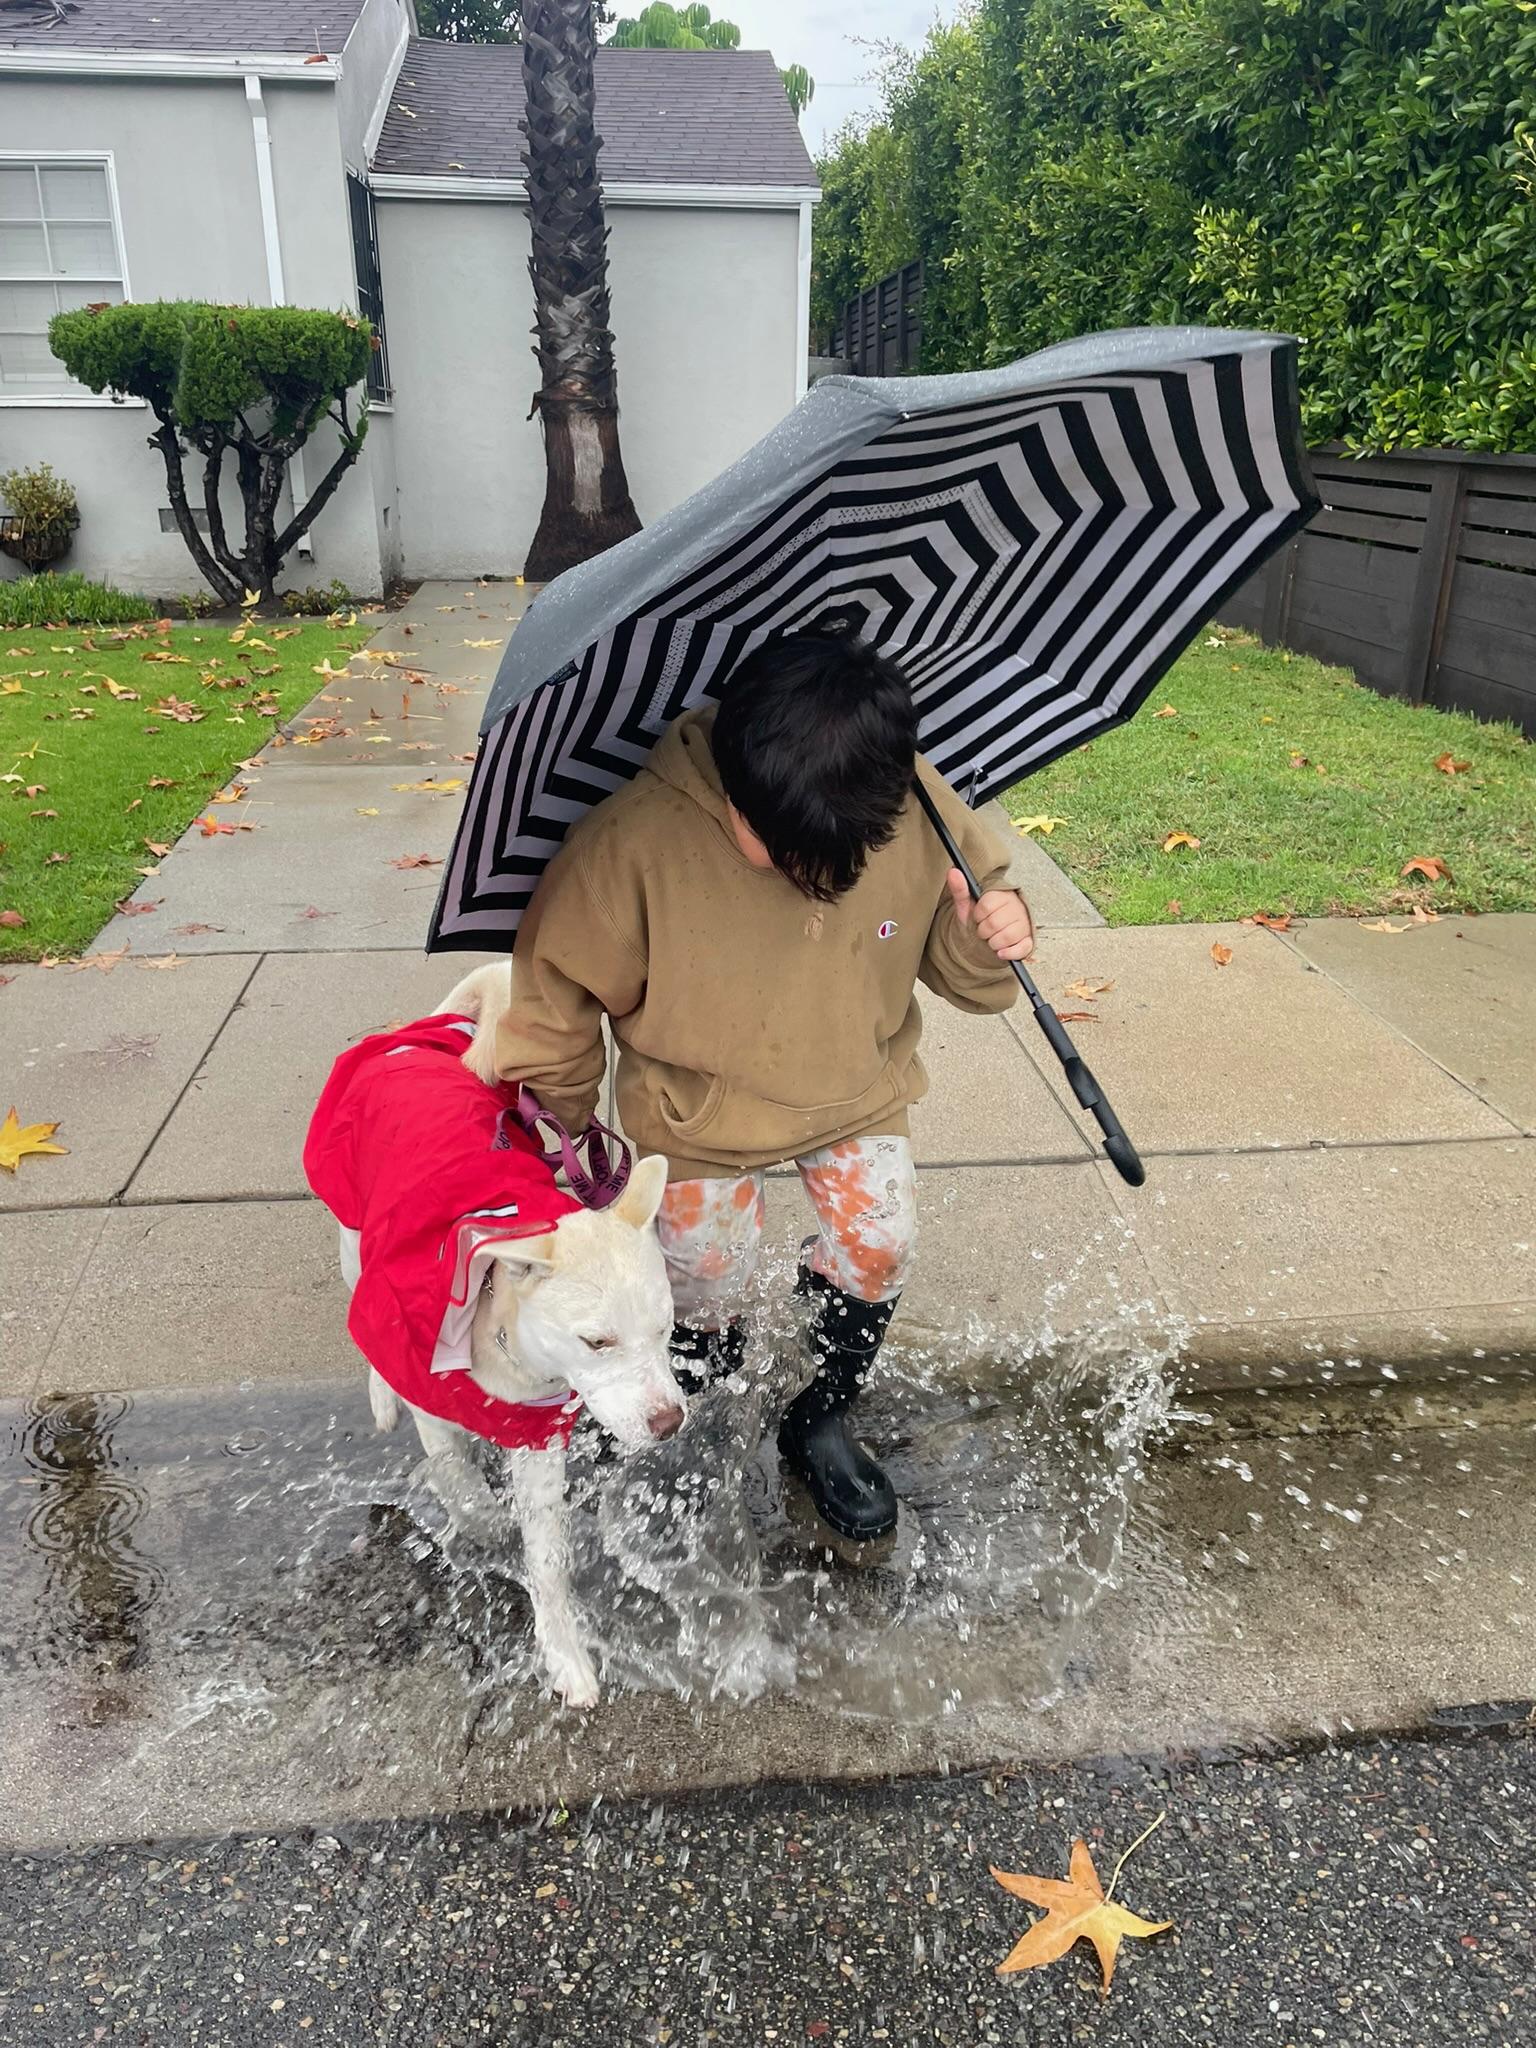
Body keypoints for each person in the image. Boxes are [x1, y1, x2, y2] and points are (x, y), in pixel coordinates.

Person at [490, 629, 1034, 1561]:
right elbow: (556, 1001)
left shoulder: (915, 803)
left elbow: (964, 975)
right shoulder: (631, 845)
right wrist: (555, 1145)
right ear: (737, 780)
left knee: (881, 1242)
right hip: (699, 1111)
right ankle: (698, 1381)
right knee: (705, 1274)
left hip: (856, 1087)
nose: (801, 872)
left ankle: (821, 1414)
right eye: (773, 844)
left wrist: (988, 940)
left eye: (833, 852)